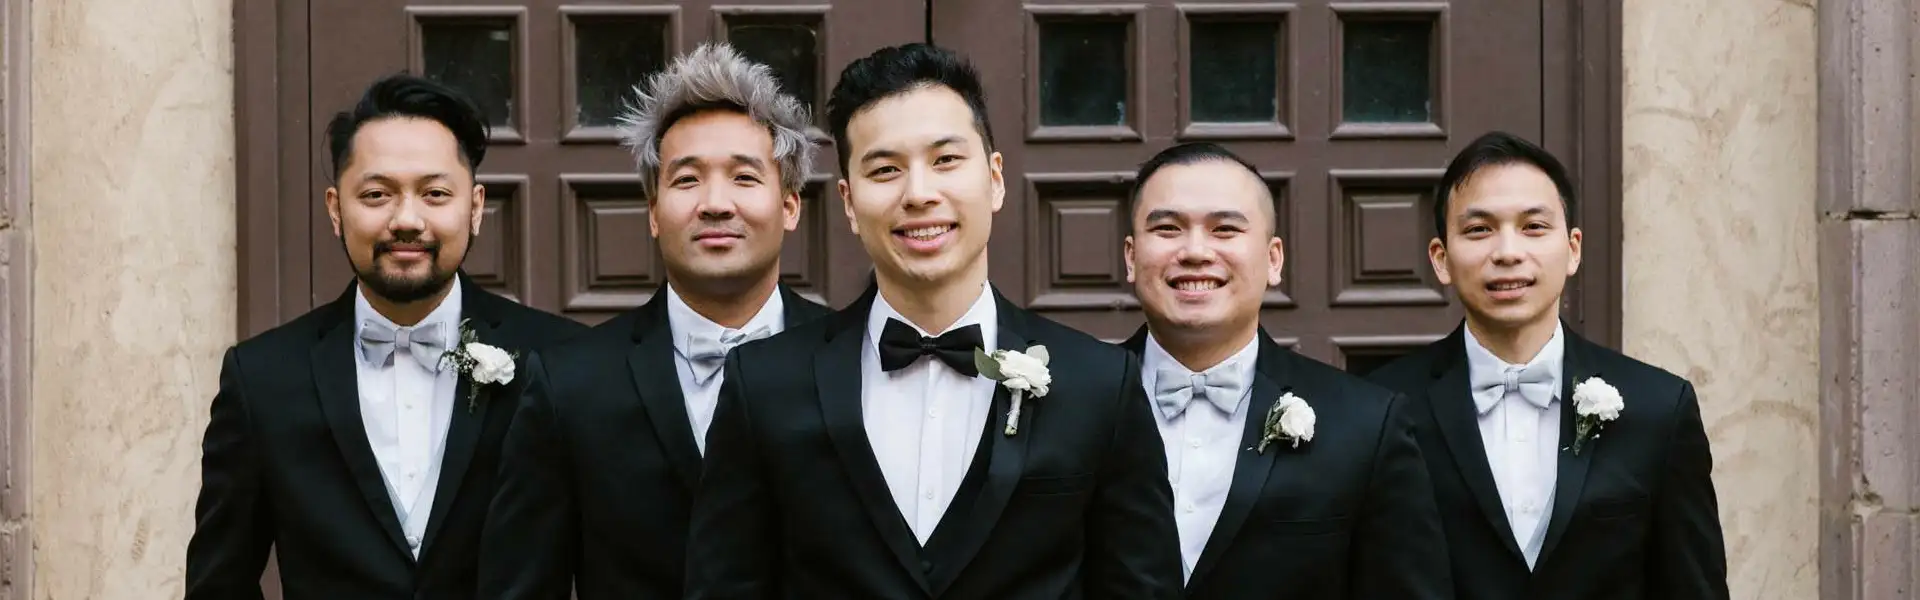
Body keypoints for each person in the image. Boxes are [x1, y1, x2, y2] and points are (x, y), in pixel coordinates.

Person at [682, 43, 1183, 599]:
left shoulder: (1101, 385)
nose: (919, 194)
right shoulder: (763, 385)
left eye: (945, 160)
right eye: (886, 170)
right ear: (848, 202)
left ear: (995, 178)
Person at [183, 74, 586, 599]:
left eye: (435, 194)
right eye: (377, 195)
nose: (407, 220)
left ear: (474, 207)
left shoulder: (560, 361)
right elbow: (219, 583)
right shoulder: (261, 379)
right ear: (335, 209)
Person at [473, 43, 831, 600]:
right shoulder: (570, 385)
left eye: (744, 177)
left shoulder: (850, 360)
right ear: (653, 211)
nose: (715, 203)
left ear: (790, 206)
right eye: (687, 180)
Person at [1367, 131, 1729, 599]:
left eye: (1534, 227)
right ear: (1441, 259)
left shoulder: (1660, 409)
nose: (1508, 252)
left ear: (1573, 248)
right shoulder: (1384, 410)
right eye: (1479, 230)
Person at [1116, 142, 1451, 599]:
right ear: (1131, 257)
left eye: (1225, 229)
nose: (1195, 251)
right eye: (1168, 229)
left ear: (1273, 259)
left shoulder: (1367, 424)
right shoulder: (1074, 405)